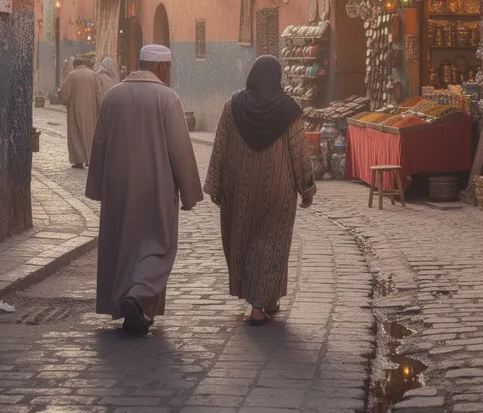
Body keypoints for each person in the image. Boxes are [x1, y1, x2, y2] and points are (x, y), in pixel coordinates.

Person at [87, 44, 202, 336]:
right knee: (158, 245)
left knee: (123, 246)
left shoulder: (113, 96)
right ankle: (137, 296)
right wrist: (189, 193)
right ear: (161, 67)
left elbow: (99, 143)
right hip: (155, 187)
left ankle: (134, 311)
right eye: (169, 68)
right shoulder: (167, 98)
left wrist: (97, 186)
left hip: (118, 188)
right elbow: (180, 150)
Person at [204, 56, 316, 326]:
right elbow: (298, 151)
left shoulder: (232, 106)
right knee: (272, 245)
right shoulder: (288, 110)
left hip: (238, 188)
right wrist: (306, 187)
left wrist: (215, 184)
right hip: (277, 189)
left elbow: (220, 146)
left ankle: (265, 299)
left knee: (243, 241)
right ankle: (259, 304)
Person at [57, 57, 100, 169]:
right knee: (90, 133)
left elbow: (65, 93)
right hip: (91, 110)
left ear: (75, 65)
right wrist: (99, 108)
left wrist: (59, 92)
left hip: (75, 109)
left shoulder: (72, 75)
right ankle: (90, 158)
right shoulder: (93, 75)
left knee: (76, 133)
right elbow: (99, 93)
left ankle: (79, 160)